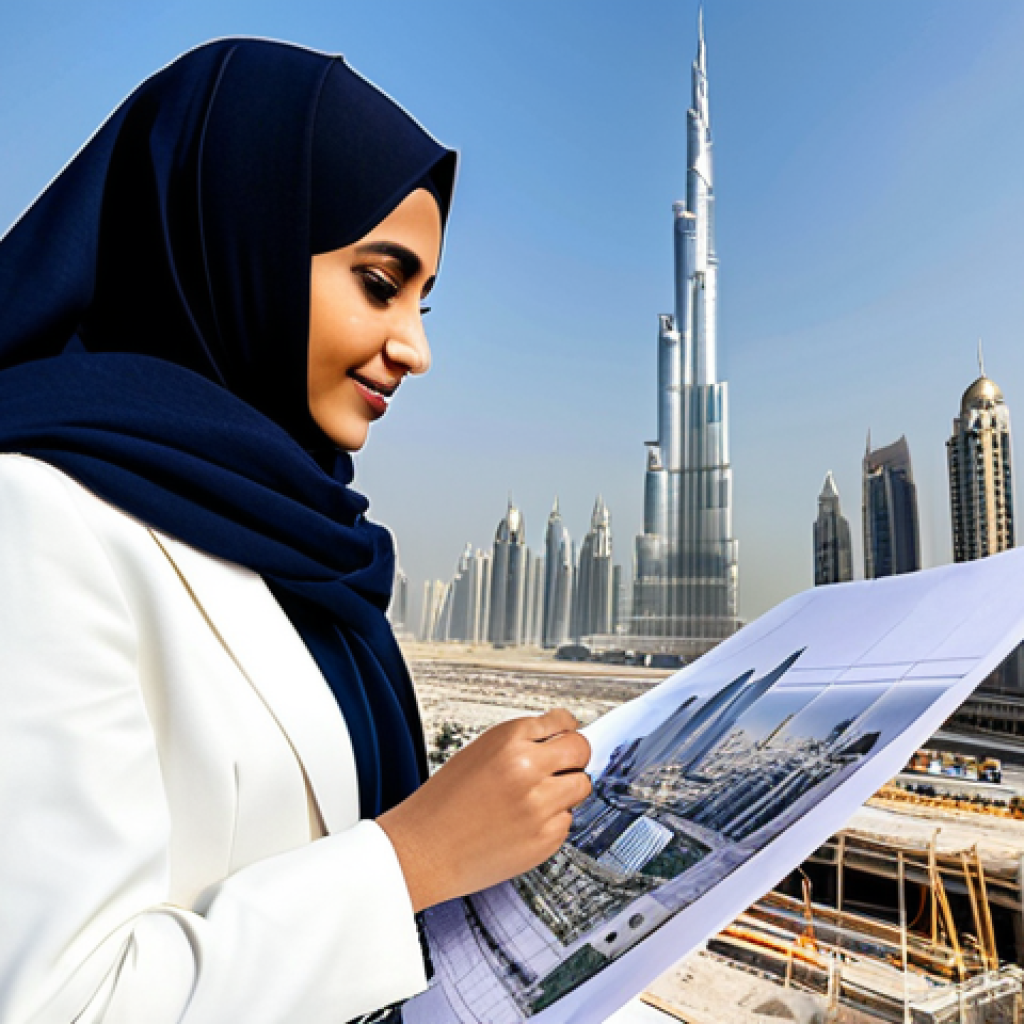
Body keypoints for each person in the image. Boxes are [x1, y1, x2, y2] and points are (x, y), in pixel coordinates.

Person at [0, 39, 591, 1023]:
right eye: (378, 281)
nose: (416, 347)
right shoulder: (40, 518)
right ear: (242, 241)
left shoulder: (299, 537)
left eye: (422, 300)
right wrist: (413, 857)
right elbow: (57, 1000)